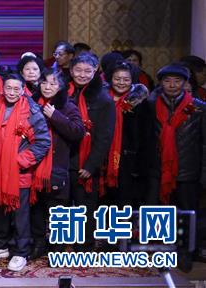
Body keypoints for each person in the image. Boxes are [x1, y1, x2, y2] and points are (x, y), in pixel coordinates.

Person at [143, 63, 205, 272]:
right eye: (167, 81)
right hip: (157, 169)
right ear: (160, 83)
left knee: (188, 213)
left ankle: (186, 252)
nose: (172, 85)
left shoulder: (198, 107)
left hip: (188, 170)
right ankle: (158, 251)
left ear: (185, 83)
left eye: (177, 81)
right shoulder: (150, 104)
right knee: (157, 212)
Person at [0, 75, 50, 272]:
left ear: (23, 90)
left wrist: (20, 161)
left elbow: (43, 142)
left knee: (21, 215)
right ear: (2, 88)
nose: (12, 92)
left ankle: (21, 252)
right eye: (8, 88)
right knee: (0, 209)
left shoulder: (31, 110)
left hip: (18, 172)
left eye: (16, 89)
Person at [29, 68, 85, 260]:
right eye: (44, 82)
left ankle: (57, 248)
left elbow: (78, 132)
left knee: (57, 209)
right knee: (36, 207)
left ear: (61, 86)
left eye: (53, 83)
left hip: (57, 165)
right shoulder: (31, 103)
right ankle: (38, 244)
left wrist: (55, 116)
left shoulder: (67, 106)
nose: (47, 87)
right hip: (33, 164)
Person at [67, 52, 116, 250]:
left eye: (87, 71)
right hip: (64, 159)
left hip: (86, 160)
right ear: (70, 71)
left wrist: (91, 165)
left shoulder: (103, 98)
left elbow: (105, 136)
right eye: (78, 70)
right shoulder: (64, 91)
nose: (82, 75)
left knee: (85, 208)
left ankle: (84, 247)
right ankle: (63, 244)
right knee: (63, 208)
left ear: (96, 70)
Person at [103, 61, 151, 207]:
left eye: (126, 79)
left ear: (132, 81)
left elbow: (146, 135)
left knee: (125, 202)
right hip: (103, 156)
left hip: (130, 160)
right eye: (117, 79)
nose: (121, 83)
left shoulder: (140, 102)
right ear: (110, 78)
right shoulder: (103, 99)